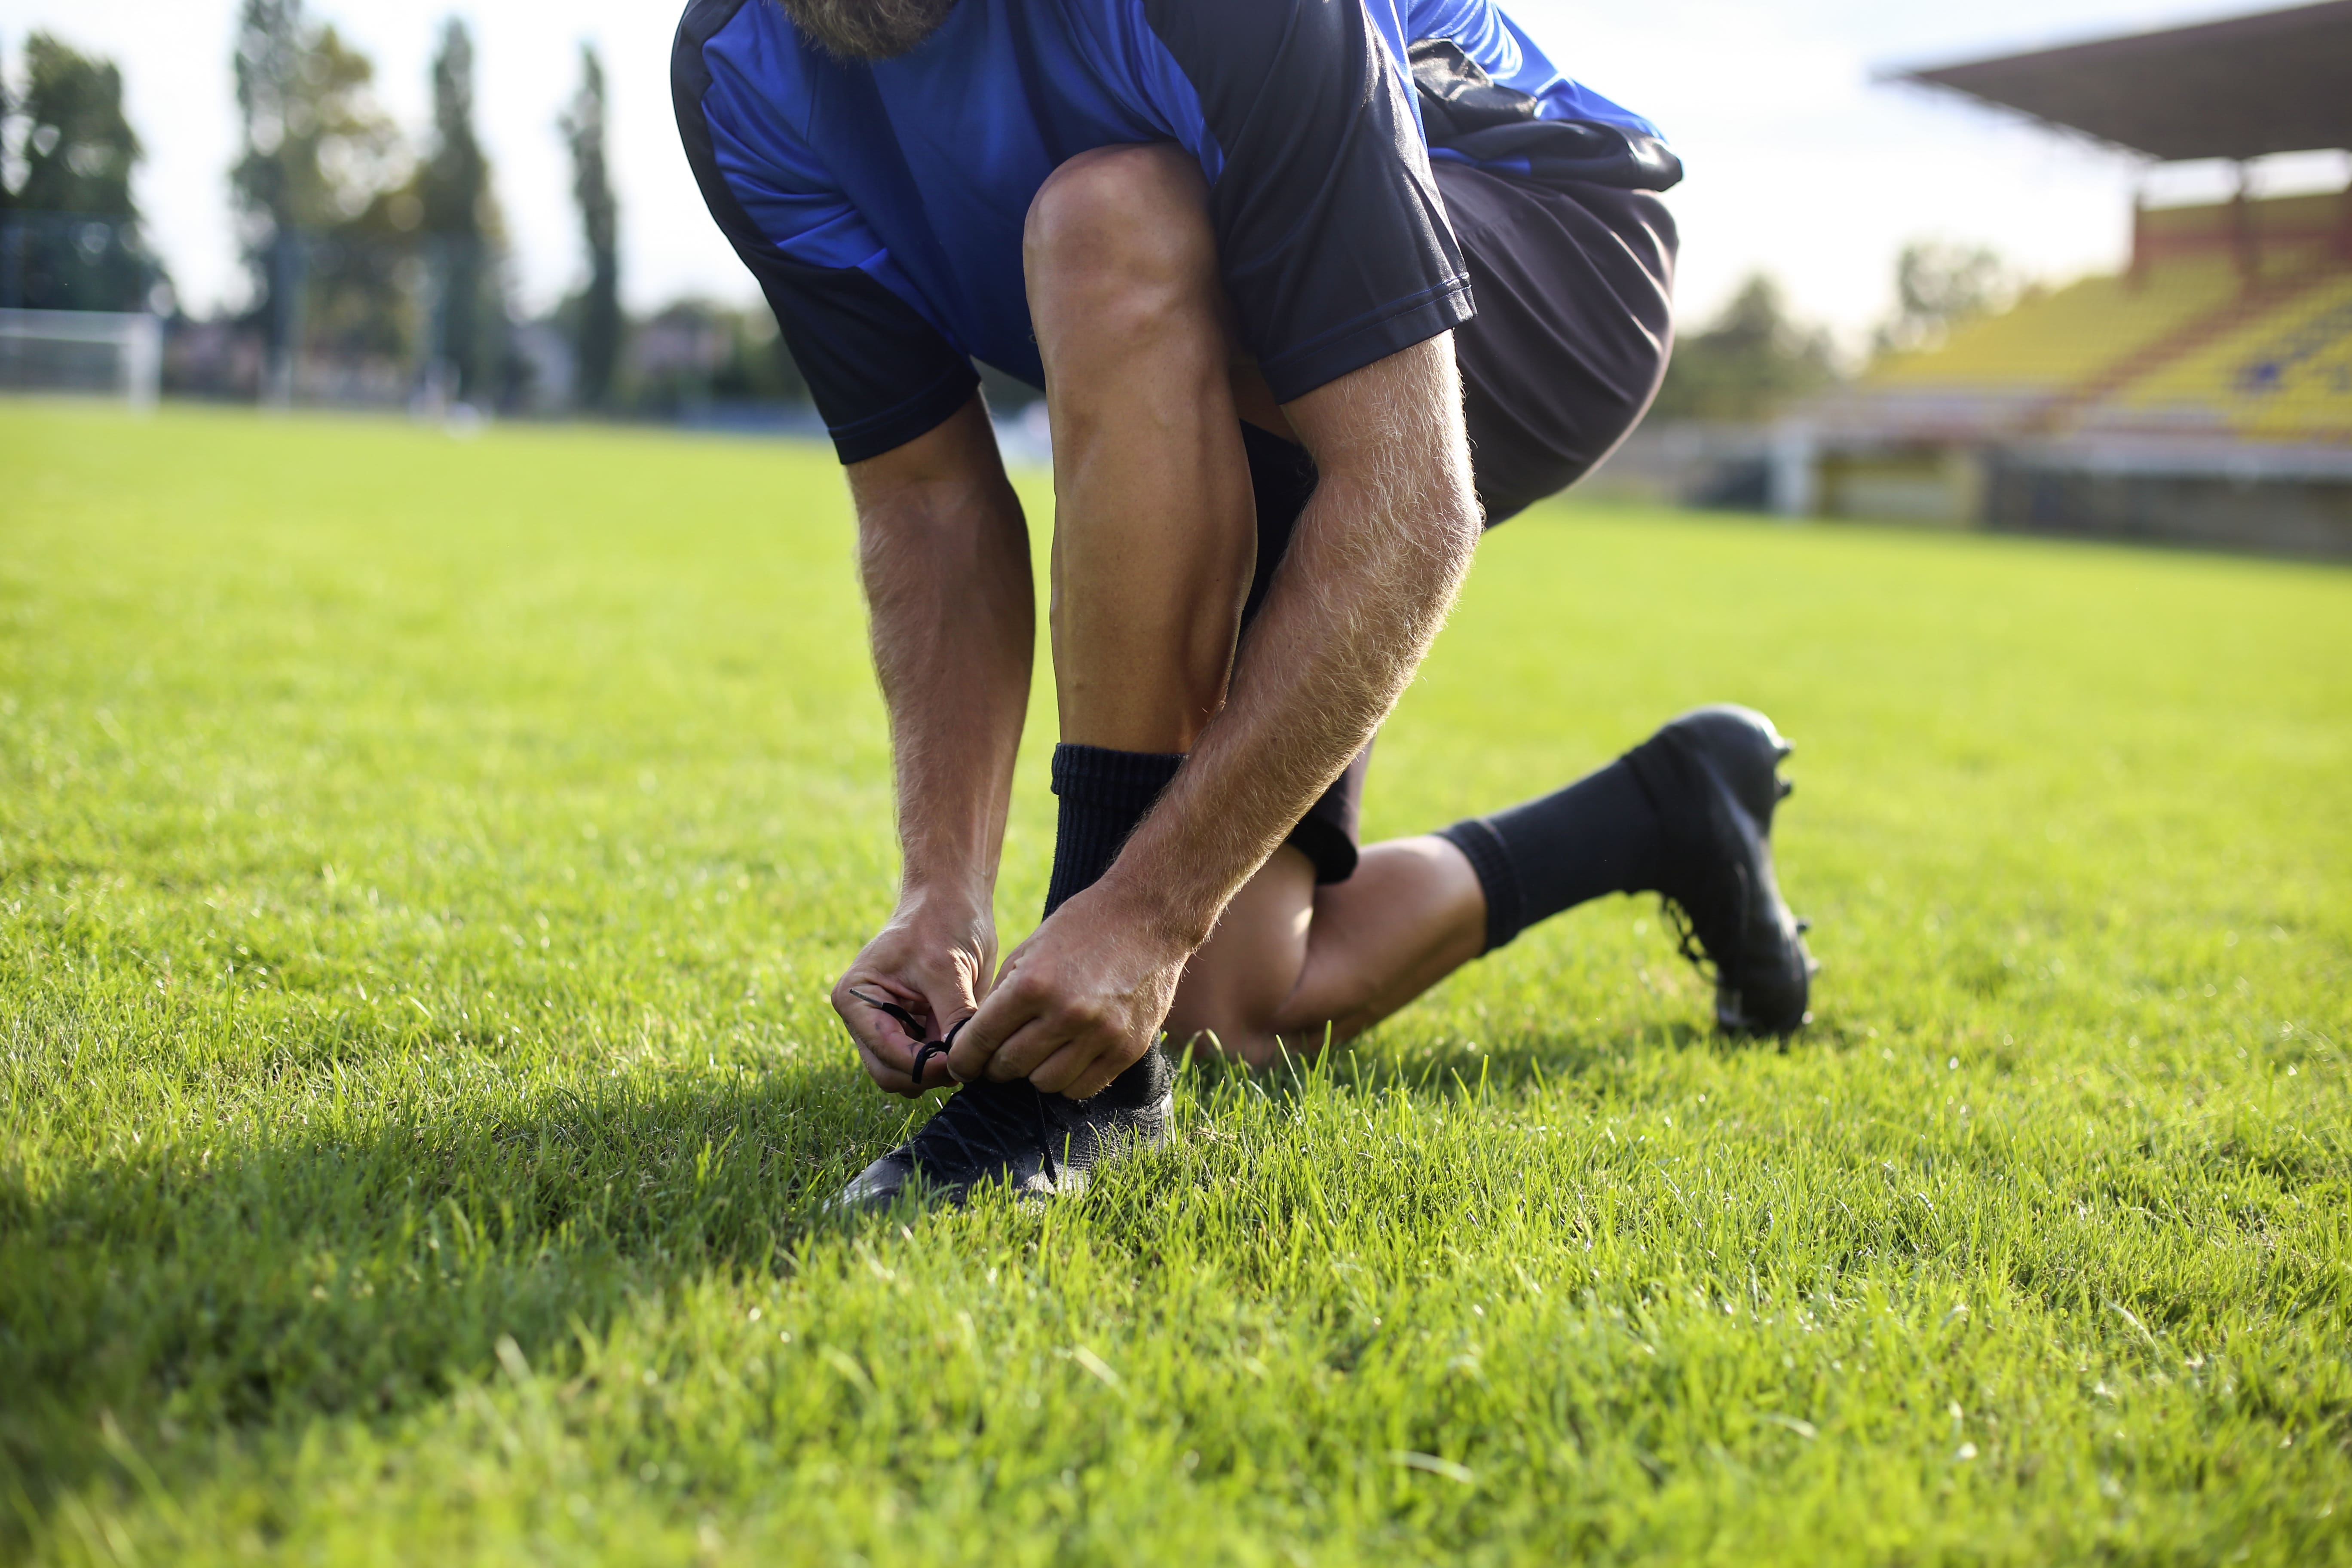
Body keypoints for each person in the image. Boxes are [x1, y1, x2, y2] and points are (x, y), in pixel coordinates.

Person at [673, 0, 1816, 1208]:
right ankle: (1672, 810)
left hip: (1546, 229)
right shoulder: (741, 71)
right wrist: (943, 896)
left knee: (1109, 216)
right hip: (1228, 331)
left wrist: (1142, 913)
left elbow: (1410, 502)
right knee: (1231, 1012)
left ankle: (1080, 1095)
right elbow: (930, 509)